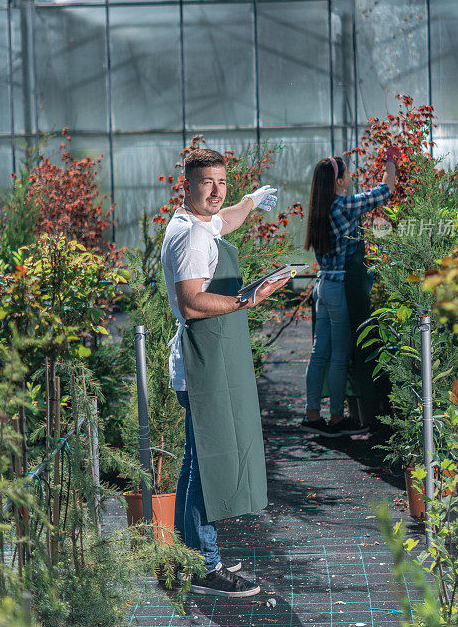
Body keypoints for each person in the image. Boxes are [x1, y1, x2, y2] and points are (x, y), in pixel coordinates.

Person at [161, 148, 287, 598]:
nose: (216, 192)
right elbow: (194, 302)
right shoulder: (192, 239)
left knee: (197, 461)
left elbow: (226, 219)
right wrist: (248, 300)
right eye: (207, 183)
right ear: (188, 185)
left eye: (222, 182)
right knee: (208, 468)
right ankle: (205, 566)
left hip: (200, 364)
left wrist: (252, 200)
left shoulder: (194, 222)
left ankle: (190, 552)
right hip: (201, 365)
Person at [301, 149, 397, 437]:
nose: (350, 176)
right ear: (339, 181)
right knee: (341, 356)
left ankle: (312, 414)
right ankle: (337, 419)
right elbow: (384, 191)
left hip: (322, 286)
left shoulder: (320, 206)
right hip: (340, 289)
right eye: (346, 173)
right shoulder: (343, 205)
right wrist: (390, 161)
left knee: (320, 354)